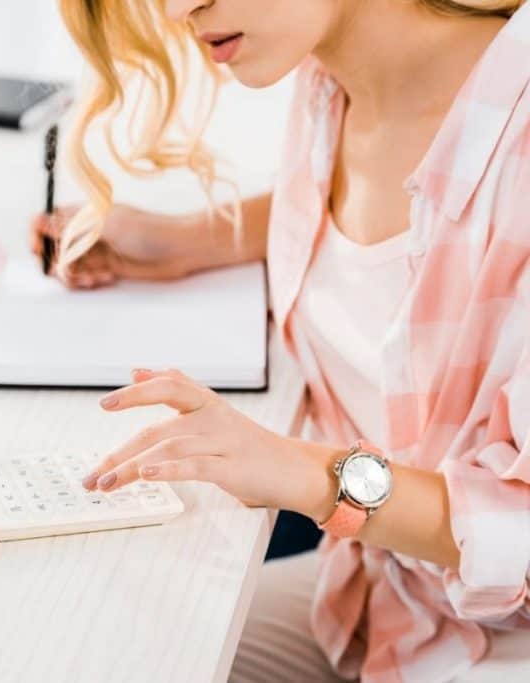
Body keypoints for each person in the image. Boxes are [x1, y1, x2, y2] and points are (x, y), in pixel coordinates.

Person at [33, 1, 530, 681]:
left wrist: (307, 474)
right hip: (390, 611)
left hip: (503, 647)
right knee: (95, 645)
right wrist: (184, 242)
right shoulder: (328, 82)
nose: (179, 10)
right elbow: (412, 227)